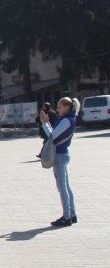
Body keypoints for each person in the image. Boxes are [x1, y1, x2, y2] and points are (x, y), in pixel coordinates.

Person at [40, 97, 79, 227]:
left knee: (62, 187)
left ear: (67, 107)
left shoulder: (66, 120)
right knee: (66, 186)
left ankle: (66, 217)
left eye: (59, 107)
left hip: (60, 155)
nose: (57, 109)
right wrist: (46, 123)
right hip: (63, 154)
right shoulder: (69, 118)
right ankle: (72, 214)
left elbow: (52, 136)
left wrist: (45, 123)